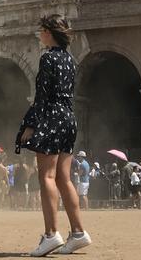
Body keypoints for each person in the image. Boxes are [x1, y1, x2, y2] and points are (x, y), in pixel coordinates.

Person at [17, 14, 91, 256]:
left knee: (47, 177)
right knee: (64, 178)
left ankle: (51, 234)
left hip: (51, 117)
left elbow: (42, 95)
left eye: (41, 31)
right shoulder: (70, 59)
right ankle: (78, 232)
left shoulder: (48, 58)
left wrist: (30, 124)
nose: (40, 35)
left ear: (48, 33)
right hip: (68, 118)